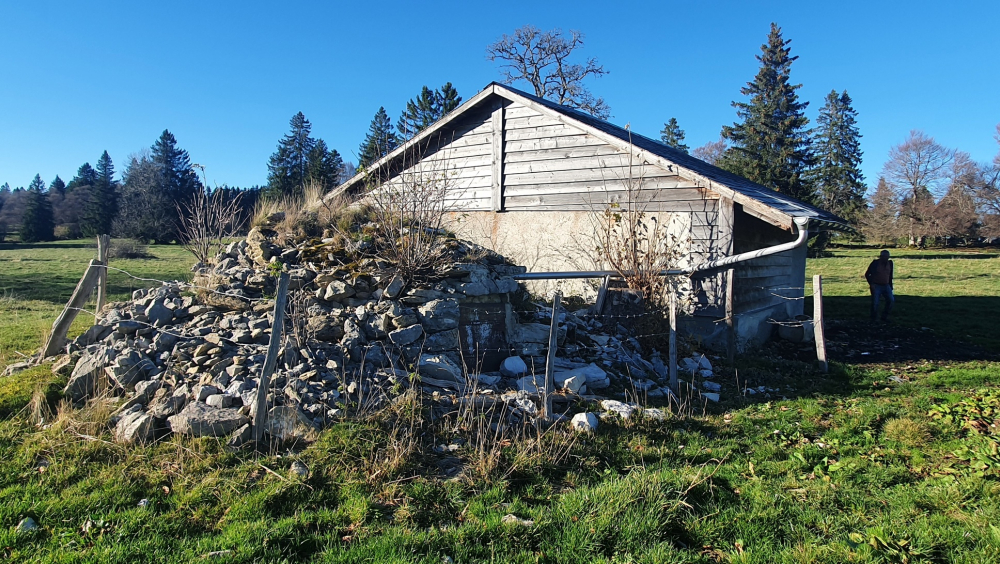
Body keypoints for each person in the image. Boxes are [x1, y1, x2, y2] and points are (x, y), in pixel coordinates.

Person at [865, 250, 894, 322]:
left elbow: (890, 275)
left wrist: (890, 286)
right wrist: (871, 284)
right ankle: (873, 318)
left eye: (887, 257)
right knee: (875, 302)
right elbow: (867, 274)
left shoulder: (890, 263)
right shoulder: (875, 263)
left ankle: (884, 317)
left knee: (891, 300)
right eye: (884, 257)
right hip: (876, 285)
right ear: (881, 256)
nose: (886, 258)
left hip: (886, 285)